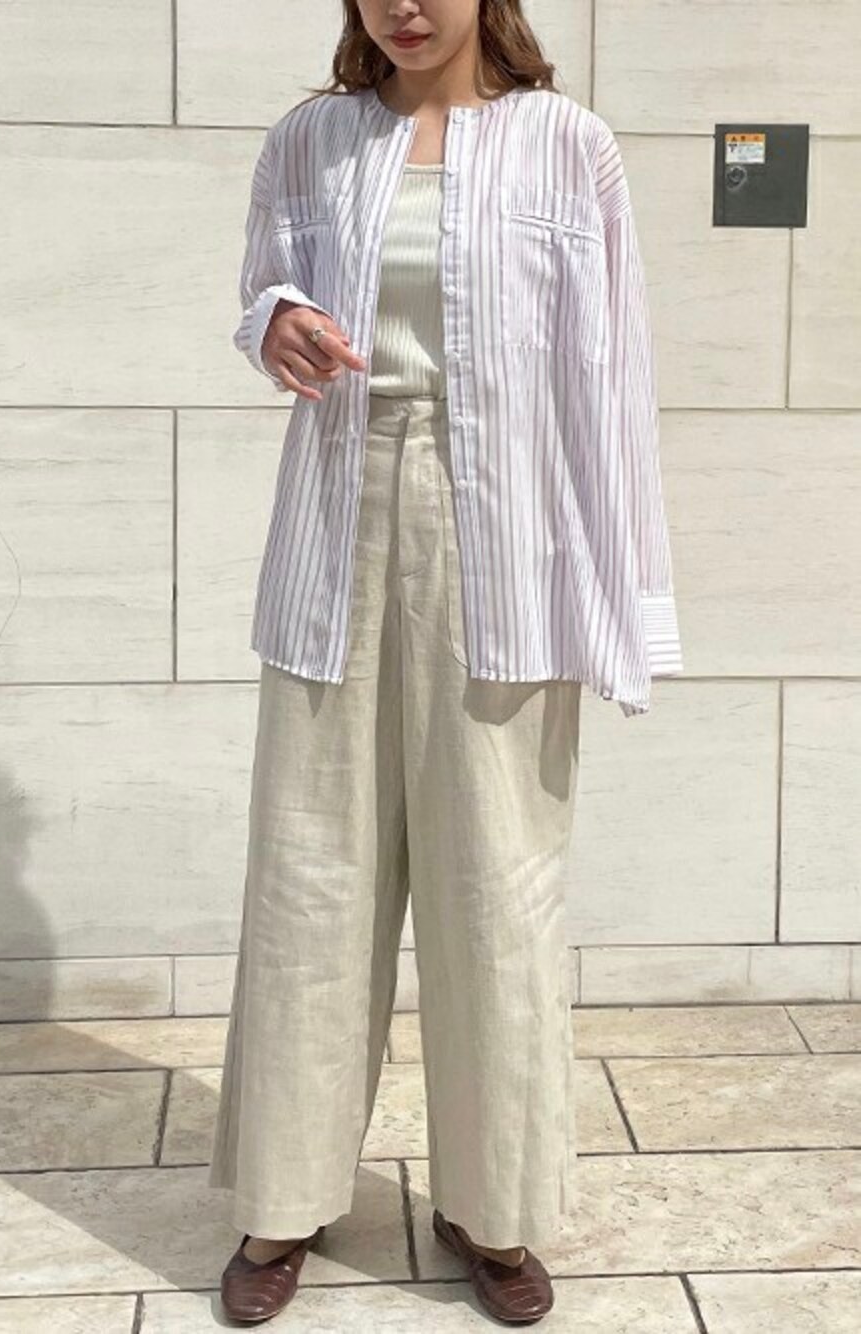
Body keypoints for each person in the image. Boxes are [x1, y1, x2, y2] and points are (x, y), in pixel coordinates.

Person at [209, 0, 683, 1324]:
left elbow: (609, 373)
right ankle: (285, 1195)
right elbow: (261, 292)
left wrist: (621, 599)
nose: (404, 6)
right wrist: (276, 322)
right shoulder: (311, 140)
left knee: (497, 887)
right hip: (337, 520)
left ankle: (494, 1205)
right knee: (311, 874)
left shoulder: (568, 145)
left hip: (507, 537)